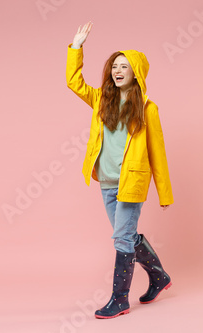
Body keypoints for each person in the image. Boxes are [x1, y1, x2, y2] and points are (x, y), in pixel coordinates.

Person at [66, 21, 174, 319]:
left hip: (131, 184)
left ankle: (120, 299)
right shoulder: (102, 99)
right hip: (106, 183)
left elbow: (157, 152)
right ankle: (160, 277)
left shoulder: (147, 108)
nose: (117, 70)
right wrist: (76, 48)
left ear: (136, 72)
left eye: (124, 66)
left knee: (122, 239)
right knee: (126, 234)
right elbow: (74, 83)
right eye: (114, 66)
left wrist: (164, 193)